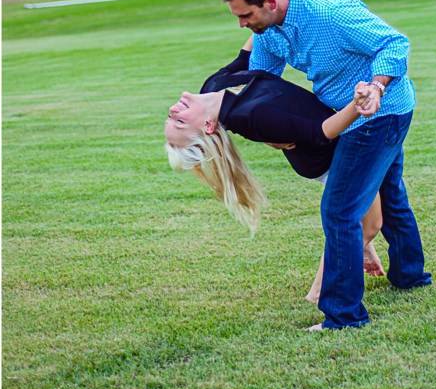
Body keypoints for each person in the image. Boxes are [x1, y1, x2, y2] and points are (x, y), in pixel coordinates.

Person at [221, 0, 431, 330]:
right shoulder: (270, 32)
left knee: (339, 210)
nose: (242, 25)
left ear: (270, 2)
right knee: (391, 194)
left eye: (245, 15)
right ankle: (410, 275)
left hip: (382, 112)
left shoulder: (330, 15)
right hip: (349, 115)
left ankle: (344, 316)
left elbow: (395, 44)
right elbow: (262, 82)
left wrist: (377, 87)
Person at [163, 37, 386, 302]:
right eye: (179, 121)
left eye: (170, 117)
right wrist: (358, 104)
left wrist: (267, 9)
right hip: (326, 160)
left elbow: (245, 58)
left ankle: (360, 251)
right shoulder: (252, 115)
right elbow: (321, 132)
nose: (173, 109)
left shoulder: (211, 88)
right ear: (208, 127)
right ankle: (317, 293)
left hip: (324, 151)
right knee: (370, 225)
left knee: (364, 222)